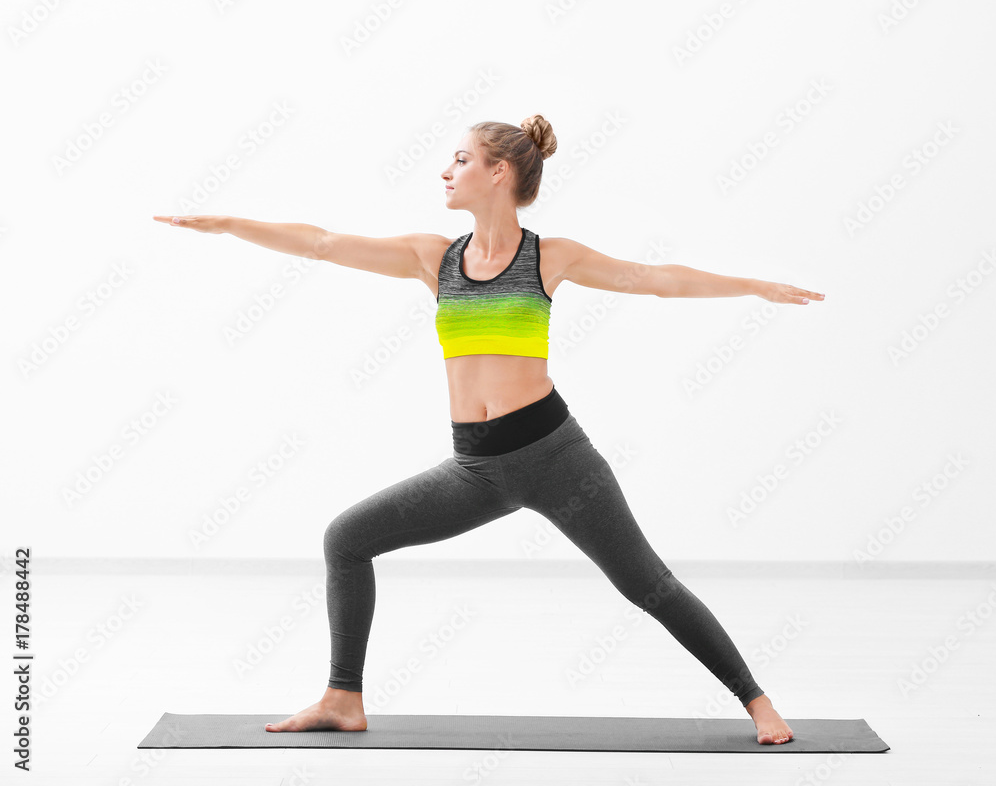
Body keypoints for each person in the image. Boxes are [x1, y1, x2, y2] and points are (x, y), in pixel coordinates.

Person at [154, 114, 823, 745]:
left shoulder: (549, 257)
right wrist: (234, 224)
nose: (446, 170)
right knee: (347, 540)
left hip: (557, 458)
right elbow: (324, 243)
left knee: (646, 584)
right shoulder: (431, 258)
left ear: (499, 173)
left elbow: (655, 280)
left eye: (462, 158)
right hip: (474, 470)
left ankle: (758, 702)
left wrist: (754, 286)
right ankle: (342, 698)